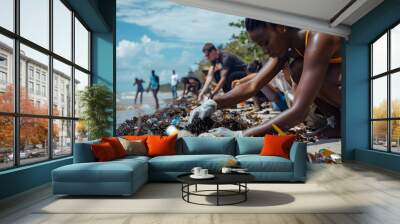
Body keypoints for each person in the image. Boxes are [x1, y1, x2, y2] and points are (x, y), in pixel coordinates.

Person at [190, 18, 342, 138]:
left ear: (281, 27)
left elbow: (299, 112)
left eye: (266, 43)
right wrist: (213, 103)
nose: (265, 50)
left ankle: (342, 122)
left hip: (363, 93)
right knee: (297, 69)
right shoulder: (287, 46)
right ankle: (336, 123)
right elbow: (252, 85)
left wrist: (243, 134)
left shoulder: (318, 37)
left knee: (299, 69)